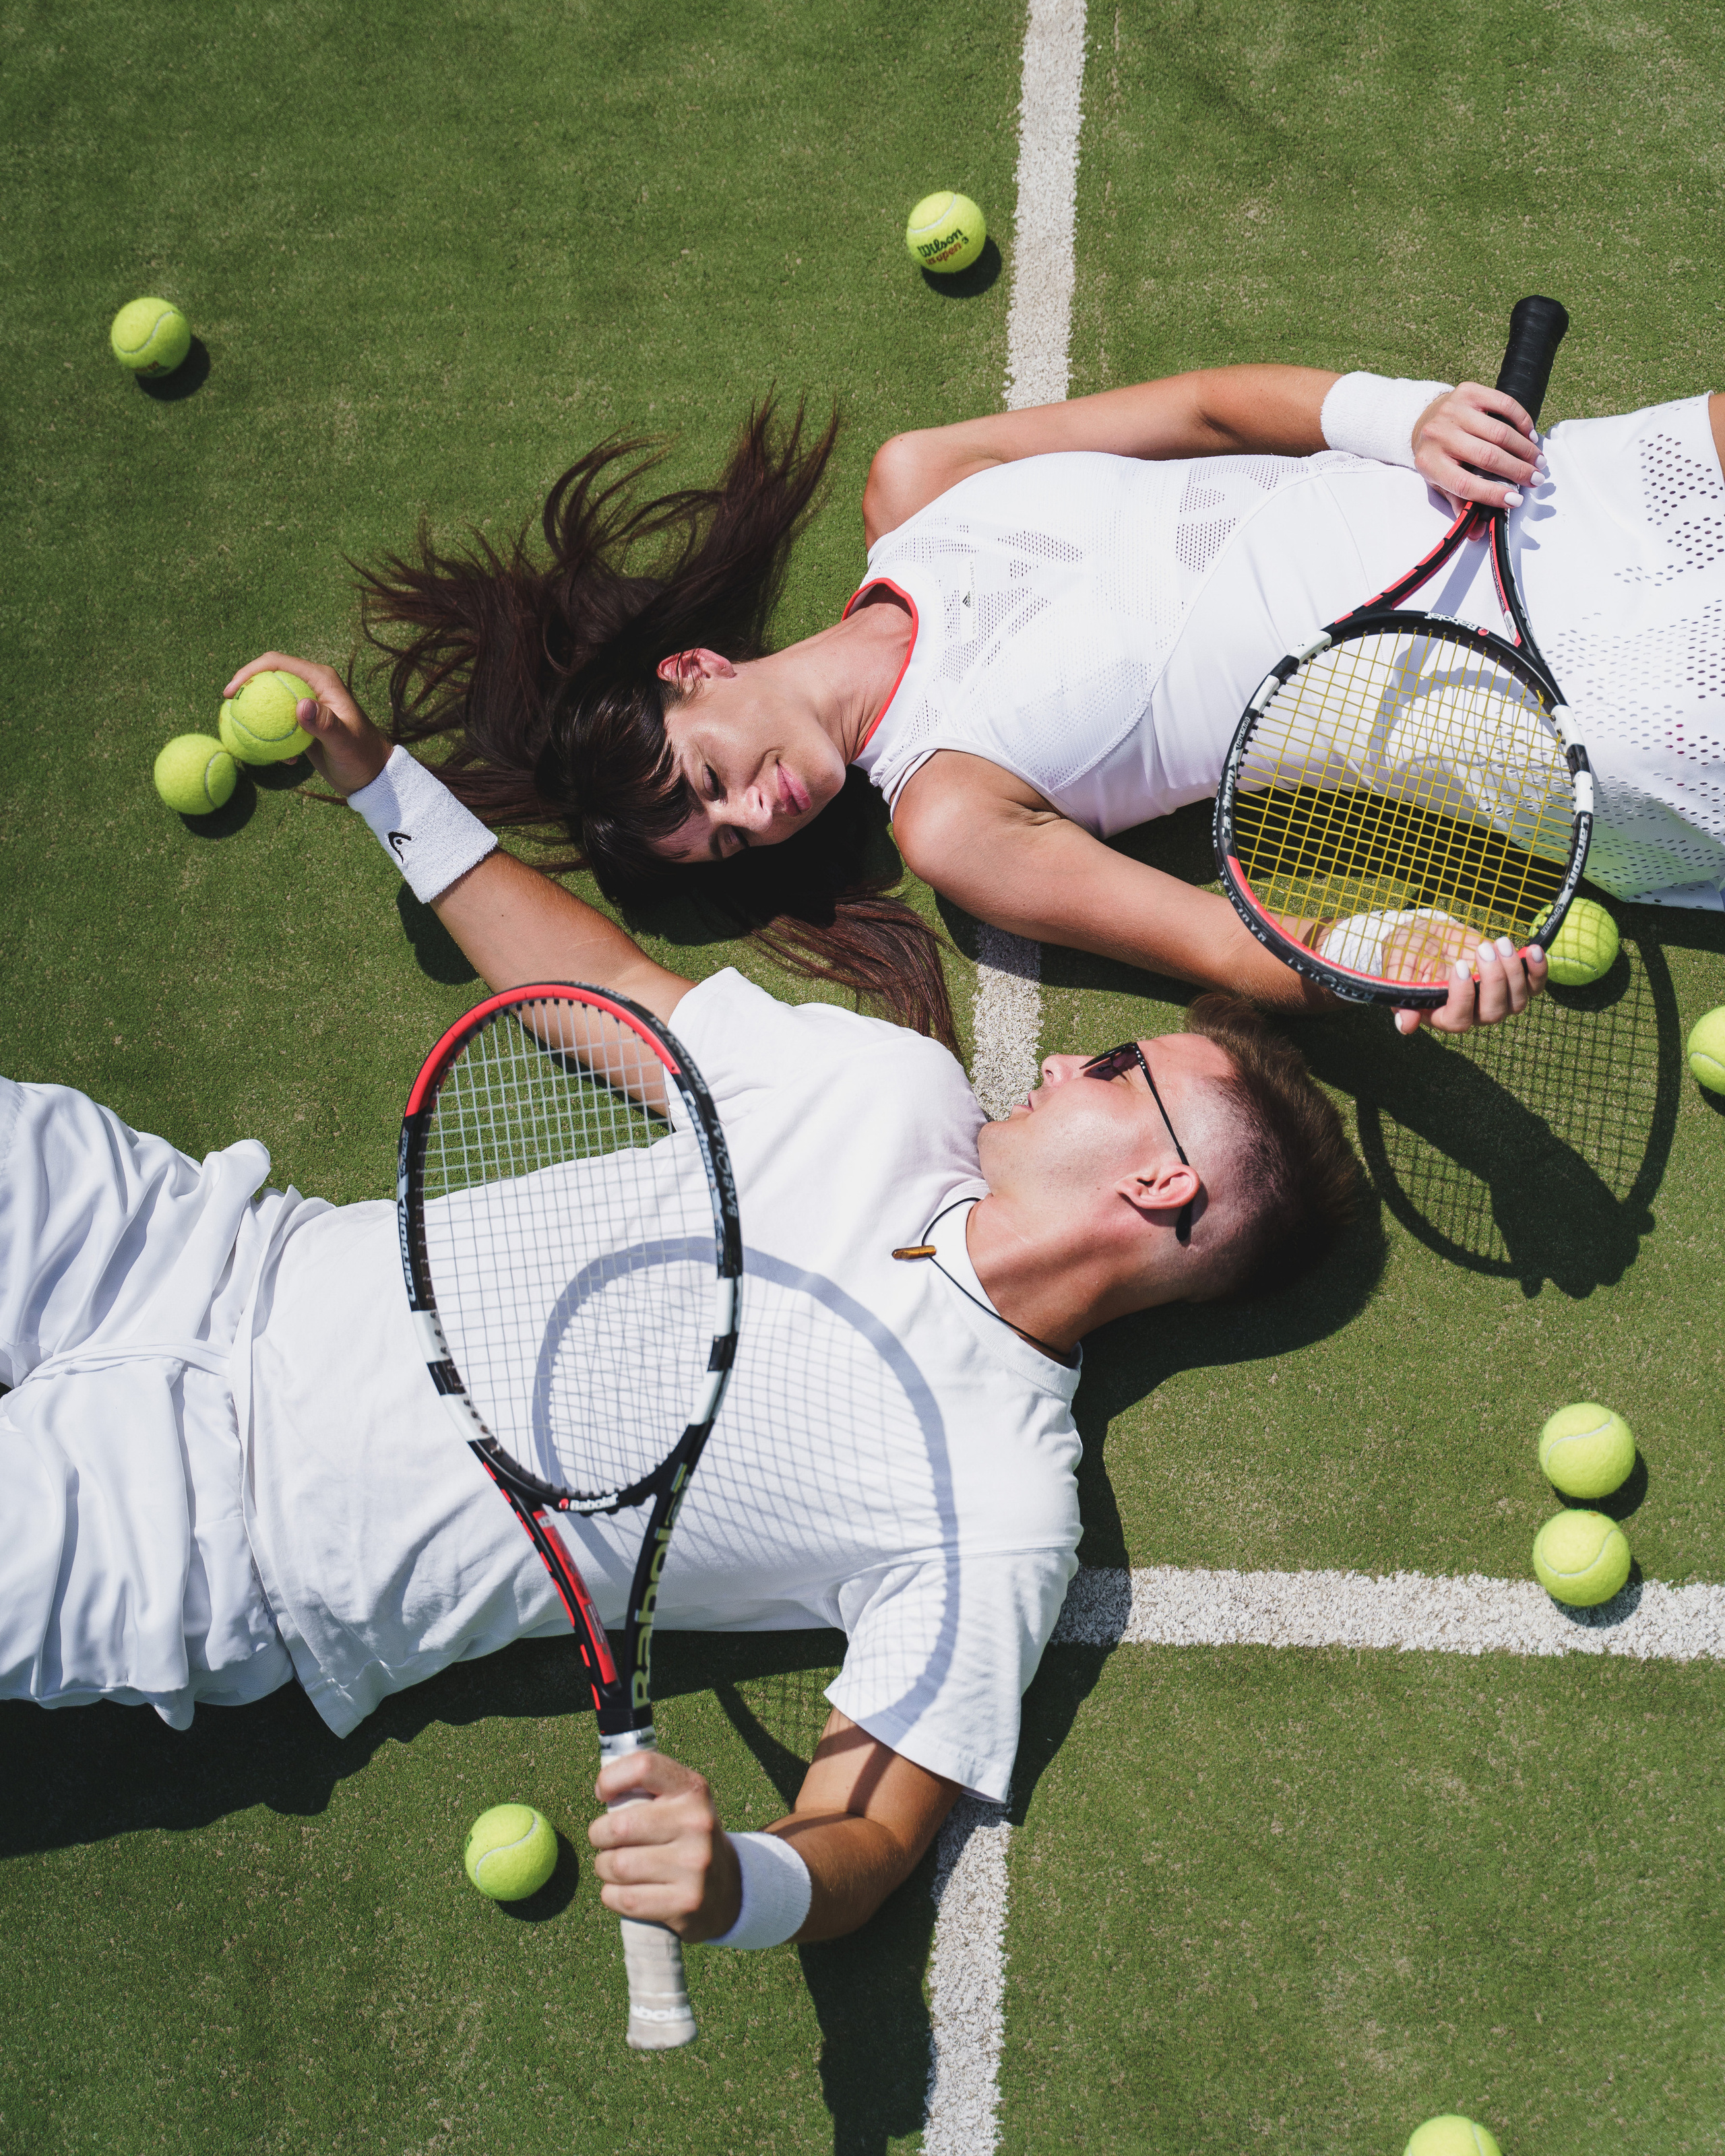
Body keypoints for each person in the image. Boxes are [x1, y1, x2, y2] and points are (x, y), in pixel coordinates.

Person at [1, 658, 1360, 1950]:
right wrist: (380, 782)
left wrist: (736, 1883)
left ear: (1160, 1180)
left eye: (1117, 1067)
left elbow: (868, 1838)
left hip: (210, 1537)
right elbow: (606, 994)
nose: (1065, 1055)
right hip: (185, 1244)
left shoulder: (996, 1503)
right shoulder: (890, 1090)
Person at [352, 365, 1725, 1046]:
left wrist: (1395, 413)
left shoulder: (917, 484)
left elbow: (1194, 413)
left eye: (705, 782)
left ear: (694, 671)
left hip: (1529, 493)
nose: (753, 814)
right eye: (727, 844)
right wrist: (1402, 951)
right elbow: (1223, 937)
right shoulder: (950, 814)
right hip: (1551, 708)